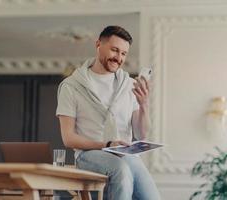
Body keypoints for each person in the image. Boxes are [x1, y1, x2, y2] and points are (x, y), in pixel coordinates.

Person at [56, 25, 161, 200]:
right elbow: (68, 138)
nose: (119, 58)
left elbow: (141, 133)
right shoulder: (71, 86)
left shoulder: (128, 85)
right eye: (114, 50)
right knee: (120, 170)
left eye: (124, 54)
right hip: (88, 155)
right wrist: (107, 144)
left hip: (124, 154)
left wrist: (144, 105)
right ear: (98, 44)